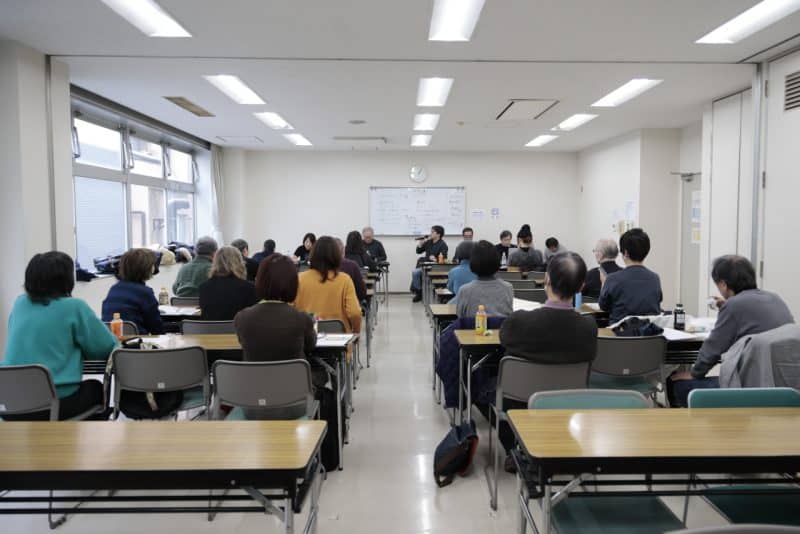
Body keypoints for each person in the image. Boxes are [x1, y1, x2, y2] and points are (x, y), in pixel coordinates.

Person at [493, 252, 598, 466]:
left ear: (546, 280)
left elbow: (504, 341)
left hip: (520, 404)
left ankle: (515, 450)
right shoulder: (589, 327)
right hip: (568, 402)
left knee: (484, 378)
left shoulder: (519, 321)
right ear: (581, 287)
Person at [2, 252, 117, 420]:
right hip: (52, 405)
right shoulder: (74, 307)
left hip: (10, 404)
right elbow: (106, 349)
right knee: (96, 388)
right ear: (66, 280)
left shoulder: (20, 304)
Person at [668, 255, 795, 407]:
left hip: (750, 388)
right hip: (786, 388)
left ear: (723, 284)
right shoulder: (775, 299)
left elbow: (713, 349)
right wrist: (729, 306)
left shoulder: (734, 306)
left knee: (678, 384)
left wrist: (694, 373)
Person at [234, 254, 319, 418]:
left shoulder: (242, 318)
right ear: (293, 284)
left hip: (253, 405)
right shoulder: (301, 319)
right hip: (294, 403)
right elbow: (311, 346)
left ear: (259, 281)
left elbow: (244, 343)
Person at [294, 236, 362, 334]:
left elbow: (289, 310)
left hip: (306, 337)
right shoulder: (345, 280)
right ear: (337, 256)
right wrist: (355, 332)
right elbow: (355, 313)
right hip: (339, 339)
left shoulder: (299, 279)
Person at [599, 228, 662, 323]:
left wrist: (604, 283)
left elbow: (603, 306)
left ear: (625, 253)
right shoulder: (655, 278)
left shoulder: (613, 278)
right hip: (649, 331)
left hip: (619, 331)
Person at [102, 248, 164, 334]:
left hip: (114, 340)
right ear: (146, 268)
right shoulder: (145, 292)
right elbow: (156, 328)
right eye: (153, 265)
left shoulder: (114, 288)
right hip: (137, 340)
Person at [455, 240, 513, 318]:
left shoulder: (464, 290)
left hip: (473, 326)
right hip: (501, 326)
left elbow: (460, 316)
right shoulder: (508, 288)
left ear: (473, 262)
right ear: (497, 260)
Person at [198, 246, 257, 321]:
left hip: (209, 328)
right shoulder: (249, 288)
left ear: (215, 262)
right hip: (237, 328)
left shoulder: (204, 288)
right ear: (239, 262)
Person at [410, 225, 448, 302]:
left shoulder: (443, 244)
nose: (430, 233)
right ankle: (419, 292)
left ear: (438, 234)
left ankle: (426, 293)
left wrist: (435, 259)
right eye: (431, 231)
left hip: (435, 267)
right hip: (425, 266)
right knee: (415, 272)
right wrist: (420, 244)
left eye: (433, 232)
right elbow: (418, 251)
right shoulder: (429, 242)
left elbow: (444, 258)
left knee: (417, 273)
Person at [336, 237, 368, 302]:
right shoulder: (352, 265)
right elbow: (361, 292)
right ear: (343, 250)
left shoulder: (321, 266)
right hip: (349, 303)